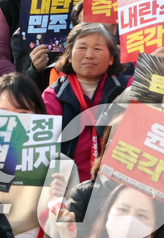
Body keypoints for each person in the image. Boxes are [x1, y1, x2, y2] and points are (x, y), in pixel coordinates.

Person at [42, 23, 126, 182]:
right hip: (66, 189)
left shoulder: (126, 88)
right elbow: (44, 152)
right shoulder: (53, 96)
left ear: (111, 58)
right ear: (69, 55)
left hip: (118, 190)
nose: (89, 55)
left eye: (98, 49)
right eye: (82, 48)